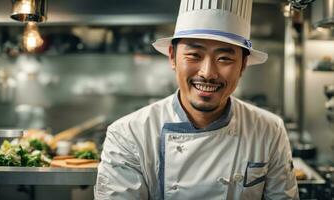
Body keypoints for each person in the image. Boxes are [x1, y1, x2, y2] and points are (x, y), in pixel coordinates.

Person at [95, 0, 299, 199]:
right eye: (194, 55)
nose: (208, 73)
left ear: (243, 65)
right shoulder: (128, 135)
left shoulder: (269, 130)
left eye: (225, 58)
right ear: (172, 57)